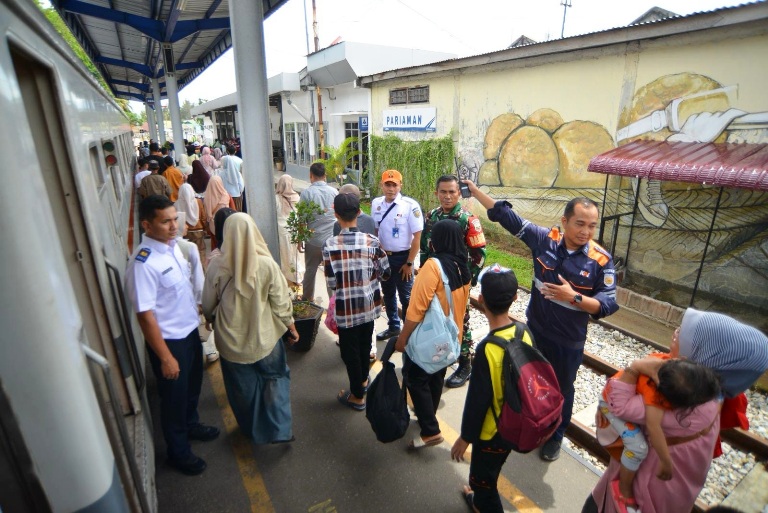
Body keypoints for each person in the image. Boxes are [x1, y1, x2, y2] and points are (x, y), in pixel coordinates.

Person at [465, 180, 620, 461]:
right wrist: (475, 192)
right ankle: (529, 419)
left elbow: (607, 304)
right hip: (535, 331)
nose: (586, 231)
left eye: (592, 225)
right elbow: (508, 217)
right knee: (529, 380)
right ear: (564, 221)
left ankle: (556, 433)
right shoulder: (543, 240)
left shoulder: (601, 261)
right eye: (580, 223)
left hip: (568, 342)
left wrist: (573, 297)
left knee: (562, 388)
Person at [124, 195, 219, 475]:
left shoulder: (172, 248)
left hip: (189, 332)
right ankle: (178, 453)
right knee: (173, 399)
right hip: (169, 342)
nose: (173, 225)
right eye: (165, 221)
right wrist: (165, 357)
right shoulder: (143, 263)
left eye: (174, 219)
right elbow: (145, 315)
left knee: (191, 387)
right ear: (146, 224)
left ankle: (191, 425)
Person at [202, 213, 299, 444]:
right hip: (266, 339)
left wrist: (209, 318)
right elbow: (282, 303)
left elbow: (207, 303)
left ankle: (252, 431)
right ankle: (280, 429)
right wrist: (292, 328)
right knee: (275, 378)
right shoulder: (266, 264)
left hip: (230, 342)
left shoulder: (217, 264)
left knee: (242, 390)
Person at [451, 264, 532, 513]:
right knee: (492, 470)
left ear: (481, 299)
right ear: (515, 298)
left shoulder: (487, 349)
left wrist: (465, 438)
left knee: (481, 481)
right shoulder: (524, 331)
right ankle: (479, 497)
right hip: (515, 424)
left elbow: (478, 403)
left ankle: (482, 501)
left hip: (491, 433)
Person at [598, 356, 722, 513]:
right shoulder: (655, 400)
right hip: (610, 402)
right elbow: (648, 424)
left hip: (616, 389)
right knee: (638, 447)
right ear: (674, 404)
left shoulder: (672, 366)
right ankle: (624, 488)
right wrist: (666, 461)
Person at [396, 219, 471, 449]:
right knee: (436, 375)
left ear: (436, 240)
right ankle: (426, 413)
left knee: (414, 377)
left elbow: (416, 308)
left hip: (429, 338)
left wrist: (403, 338)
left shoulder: (433, 266)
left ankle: (431, 430)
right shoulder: (463, 266)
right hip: (450, 338)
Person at [324, 193, 390, 411]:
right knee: (364, 345)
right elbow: (386, 273)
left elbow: (332, 281)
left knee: (349, 351)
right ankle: (362, 381)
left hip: (346, 309)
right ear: (359, 212)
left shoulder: (330, 245)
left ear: (336, 215)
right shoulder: (373, 241)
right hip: (370, 306)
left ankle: (357, 396)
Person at [420, 175, 486, 388]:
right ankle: (440, 353)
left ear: (459, 193)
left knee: (460, 321)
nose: (447, 197)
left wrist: (468, 281)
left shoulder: (468, 219)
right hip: (435, 279)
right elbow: (425, 249)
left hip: (458, 283)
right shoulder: (431, 216)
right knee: (435, 318)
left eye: (452, 192)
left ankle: (465, 364)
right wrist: (423, 275)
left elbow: (479, 254)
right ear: (436, 193)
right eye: (443, 192)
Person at [371, 170, 424, 343]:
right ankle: (394, 327)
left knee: (406, 297)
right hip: (383, 257)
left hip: (403, 259)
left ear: (401, 185)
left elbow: (417, 237)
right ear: (382, 185)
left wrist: (410, 262)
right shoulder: (376, 204)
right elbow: (375, 231)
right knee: (387, 293)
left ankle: (410, 333)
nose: (391, 188)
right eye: (387, 184)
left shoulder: (410, 206)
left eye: (394, 185)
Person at [298, 162, 337, 303]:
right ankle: (333, 303)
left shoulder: (307, 193)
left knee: (310, 271)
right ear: (325, 176)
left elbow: (302, 218)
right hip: (330, 242)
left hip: (312, 240)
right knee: (331, 273)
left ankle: (307, 301)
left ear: (311, 175)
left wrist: (300, 239)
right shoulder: (334, 192)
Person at [275, 175, 304, 287]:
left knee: (285, 254)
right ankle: (298, 277)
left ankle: (288, 277)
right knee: (296, 254)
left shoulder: (276, 198)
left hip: (282, 231)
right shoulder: (297, 197)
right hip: (295, 229)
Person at [175, 183, 207, 259]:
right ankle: (201, 268)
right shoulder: (198, 201)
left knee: (186, 254)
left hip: (184, 232)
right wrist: (205, 228)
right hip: (198, 230)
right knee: (200, 251)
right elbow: (203, 217)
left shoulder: (176, 204)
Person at [203, 175, 235, 250]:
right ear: (220, 183)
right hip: (226, 225)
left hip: (212, 226)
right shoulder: (226, 196)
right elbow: (233, 210)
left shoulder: (206, 198)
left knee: (215, 245)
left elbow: (205, 214)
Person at [219, 145, 244, 211]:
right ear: (235, 151)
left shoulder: (220, 174)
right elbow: (241, 185)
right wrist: (240, 192)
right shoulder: (239, 163)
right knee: (237, 212)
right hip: (236, 195)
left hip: (226, 197)